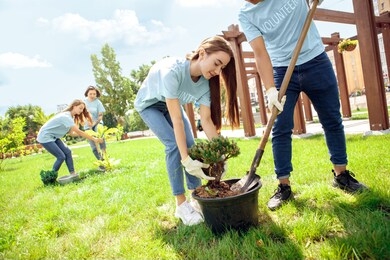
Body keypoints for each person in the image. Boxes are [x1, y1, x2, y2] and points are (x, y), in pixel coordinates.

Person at [238, 0, 367, 211]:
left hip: (315, 60)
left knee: (332, 119)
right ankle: (284, 187)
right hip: (281, 69)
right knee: (279, 128)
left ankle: (341, 176)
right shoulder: (246, 14)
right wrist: (271, 89)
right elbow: (260, 53)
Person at [134, 35, 240, 225]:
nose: (217, 71)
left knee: (191, 146)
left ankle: (195, 197)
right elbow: (177, 121)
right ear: (202, 53)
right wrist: (185, 160)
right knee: (174, 146)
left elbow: (206, 121)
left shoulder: (206, 84)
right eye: (216, 63)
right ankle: (181, 205)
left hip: (171, 104)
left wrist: (221, 155)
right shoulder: (172, 72)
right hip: (150, 105)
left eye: (222, 67)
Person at [37, 99, 103, 177]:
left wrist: (88, 135)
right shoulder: (66, 117)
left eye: (83, 109)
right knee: (61, 156)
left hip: (53, 136)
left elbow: (72, 134)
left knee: (67, 152)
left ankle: (73, 174)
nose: (81, 111)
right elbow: (79, 132)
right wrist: (94, 139)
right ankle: (51, 177)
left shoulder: (70, 117)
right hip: (45, 136)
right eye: (80, 108)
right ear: (74, 106)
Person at [84, 85, 107, 170]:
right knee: (93, 146)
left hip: (97, 123)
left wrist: (94, 124)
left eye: (94, 94)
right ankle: (101, 163)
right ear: (87, 94)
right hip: (87, 126)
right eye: (91, 94)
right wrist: (88, 124)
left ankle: (106, 158)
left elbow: (100, 116)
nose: (93, 95)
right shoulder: (83, 102)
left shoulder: (98, 102)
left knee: (101, 140)